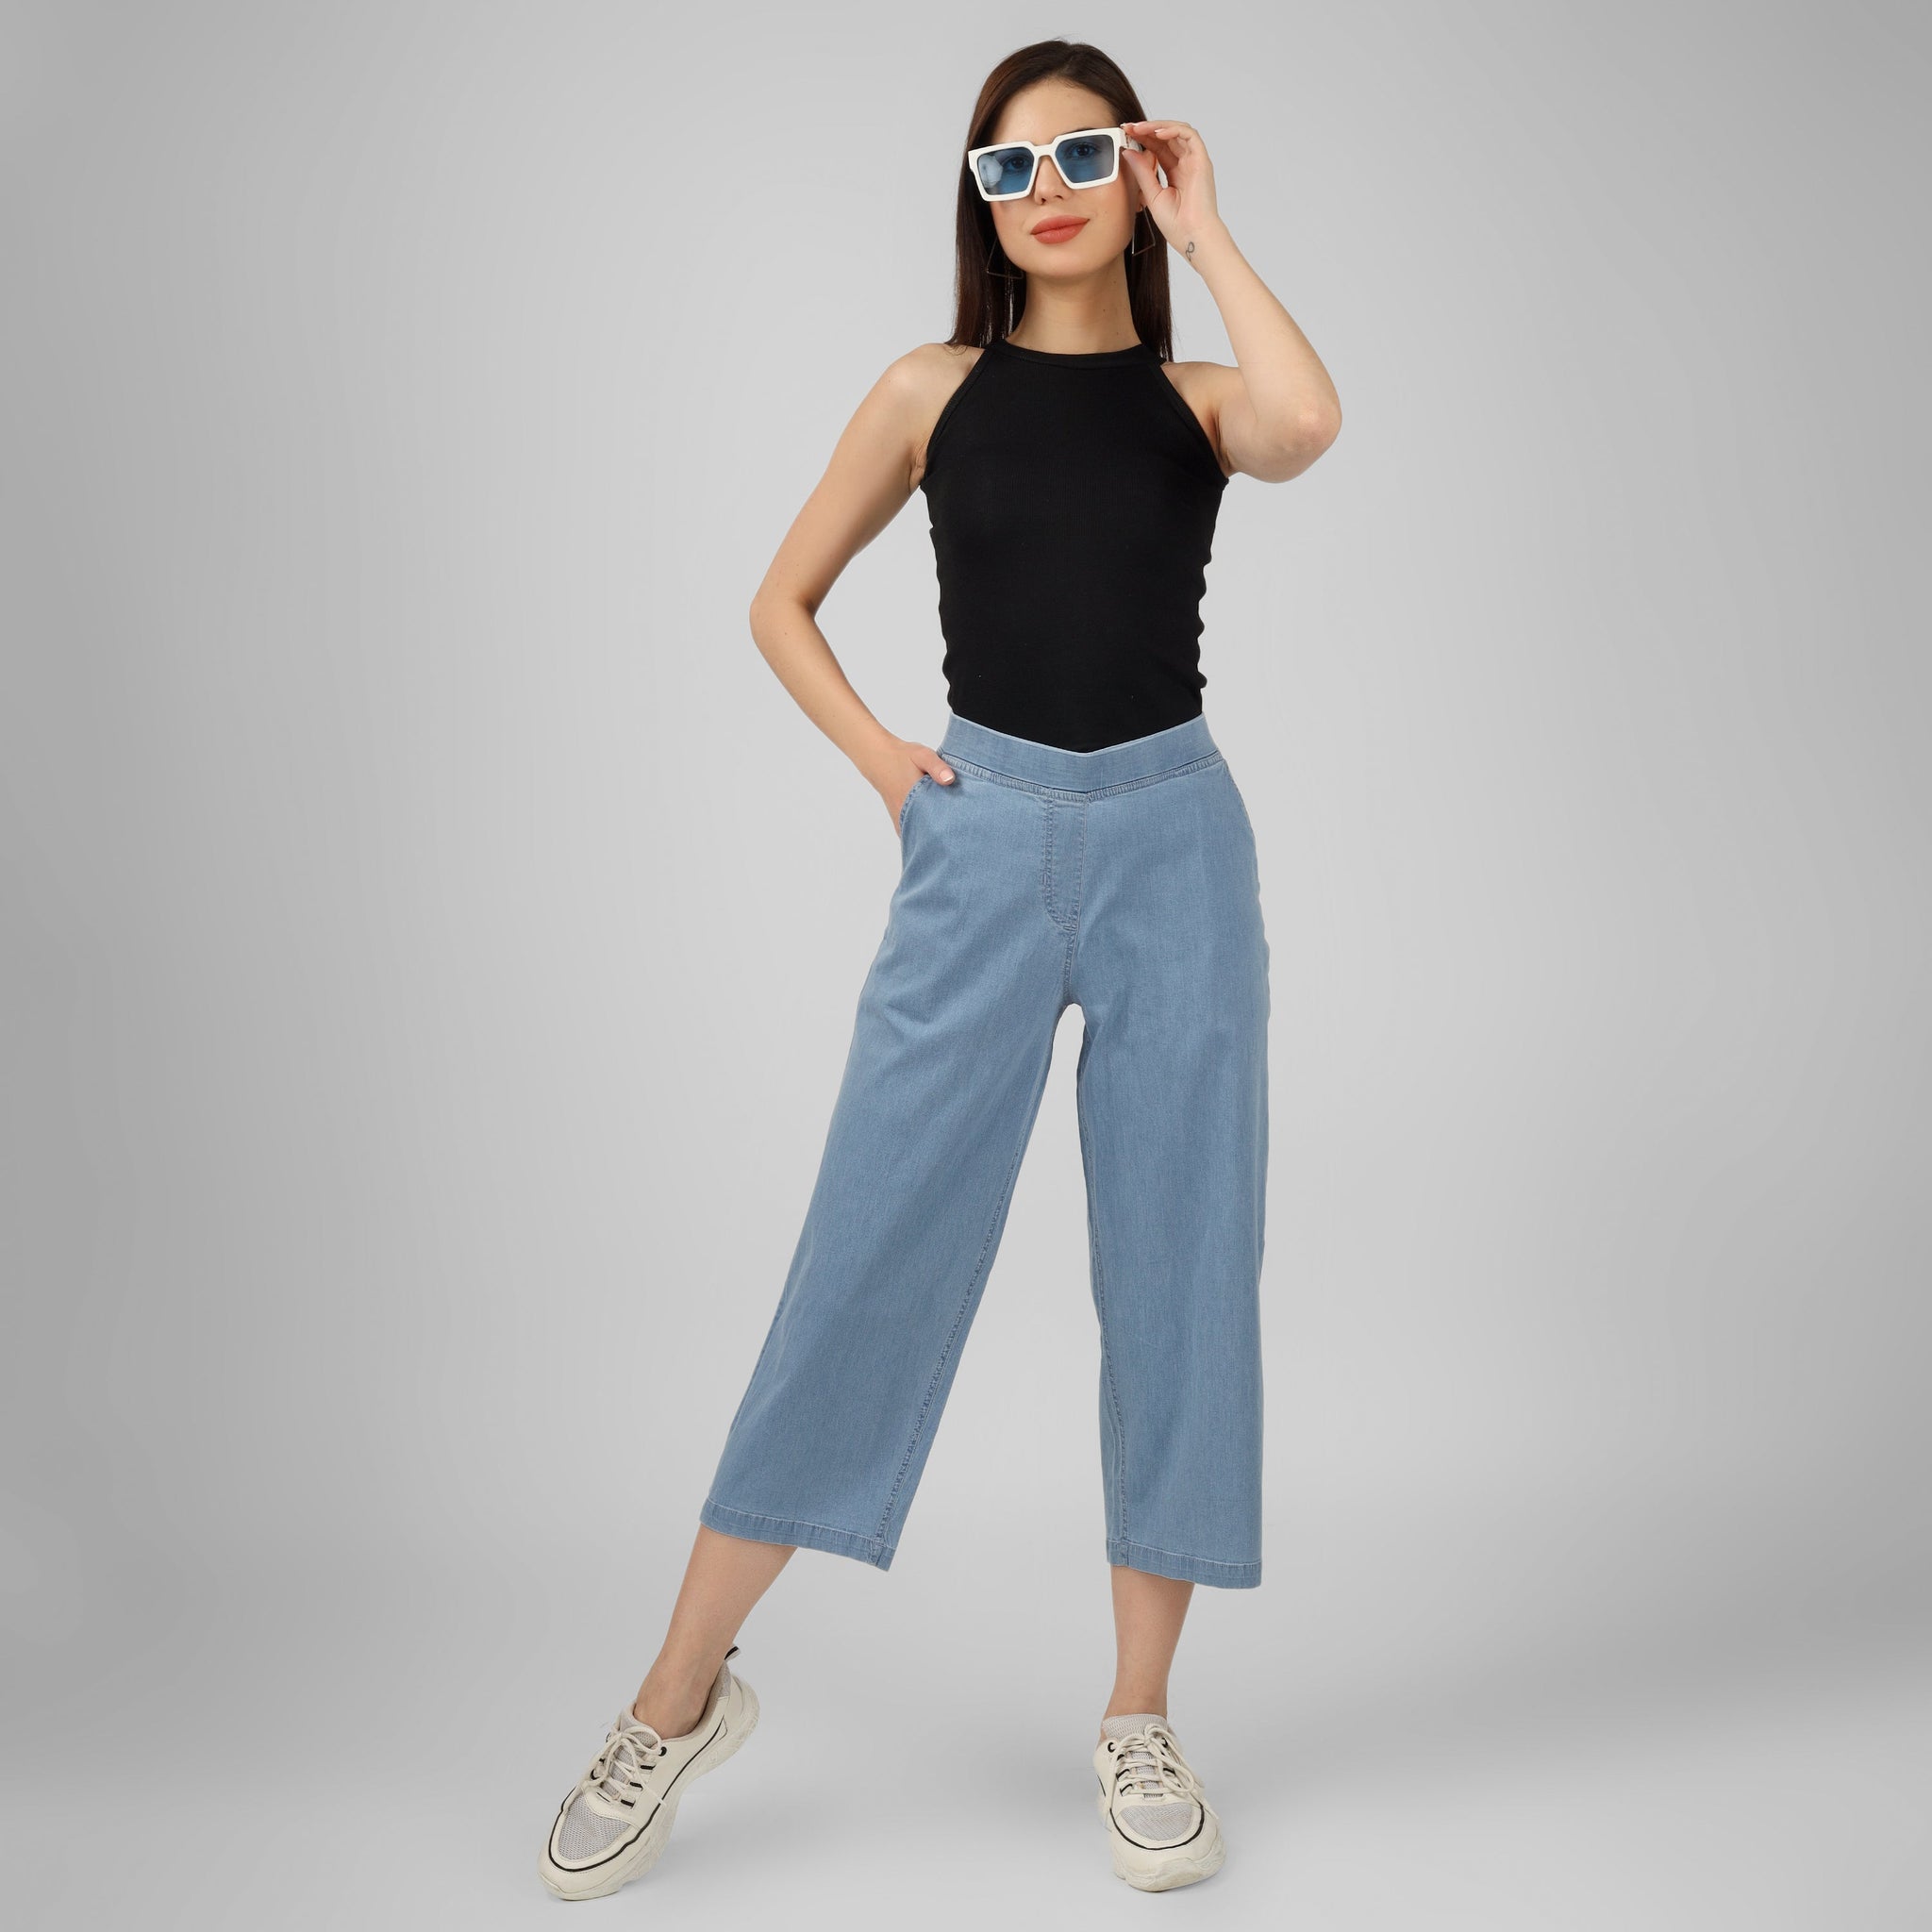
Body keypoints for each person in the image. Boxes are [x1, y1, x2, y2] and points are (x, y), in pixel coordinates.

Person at [539, 37, 1341, 1900]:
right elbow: (778, 601)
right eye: (1006, 167)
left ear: (1133, 170)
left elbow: (1309, 419)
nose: (1044, 190)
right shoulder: (931, 388)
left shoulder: (1193, 401)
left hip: (1174, 844)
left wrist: (1208, 232)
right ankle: (675, 1696)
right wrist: (890, 767)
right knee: (865, 1252)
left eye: (1081, 155)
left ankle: (1138, 1717)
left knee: (1181, 1266)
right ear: (975, 203)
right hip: (978, 845)